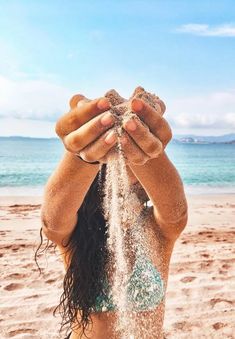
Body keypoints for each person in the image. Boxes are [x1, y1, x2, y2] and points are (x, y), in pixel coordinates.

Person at [35, 91, 188, 339]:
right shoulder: (79, 234)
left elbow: (176, 212)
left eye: (126, 157)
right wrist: (82, 154)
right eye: (115, 156)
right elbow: (52, 220)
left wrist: (145, 141)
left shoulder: (158, 232)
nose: (122, 159)